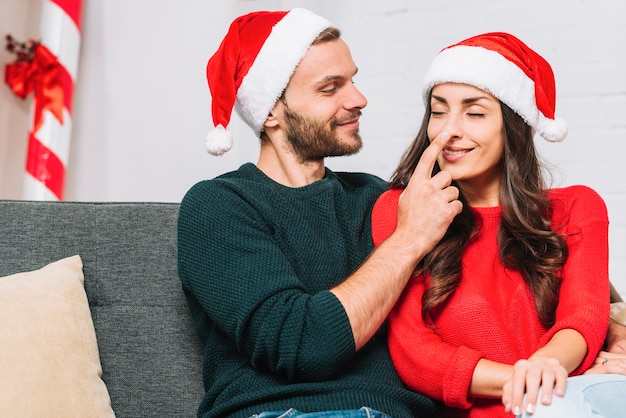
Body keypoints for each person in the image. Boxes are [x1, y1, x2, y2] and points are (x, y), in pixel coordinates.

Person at [177, 9, 463, 418]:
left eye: (353, 80)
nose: (358, 99)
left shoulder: (380, 198)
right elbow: (303, 344)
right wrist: (410, 238)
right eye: (331, 88)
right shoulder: (218, 206)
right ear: (271, 111)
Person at [370, 32, 626, 418]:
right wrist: (528, 379)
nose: (448, 131)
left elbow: (584, 315)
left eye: (474, 113)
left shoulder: (576, 207)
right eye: (439, 111)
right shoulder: (399, 210)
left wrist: (546, 366)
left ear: (513, 125)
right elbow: (413, 352)